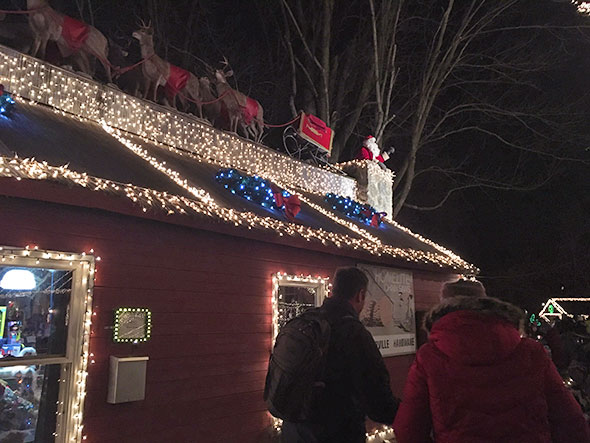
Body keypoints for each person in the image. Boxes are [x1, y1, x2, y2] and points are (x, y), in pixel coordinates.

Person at [393, 278, 590, 443]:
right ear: (485, 302)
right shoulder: (531, 352)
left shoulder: (429, 357)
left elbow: (408, 430)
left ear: (443, 306)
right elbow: (570, 421)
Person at [281, 267, 400, 443]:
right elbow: (378, 401)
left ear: (333, 290)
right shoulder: (354, 334)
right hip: (335, 434)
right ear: (360, 294)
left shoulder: (305, 321)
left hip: (293, 431)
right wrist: (409, 414)